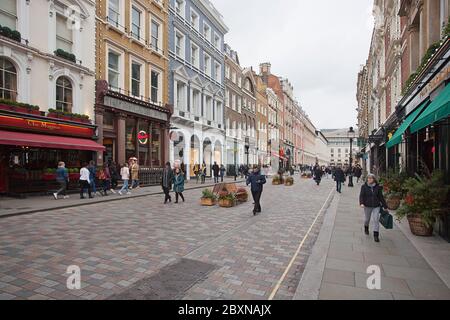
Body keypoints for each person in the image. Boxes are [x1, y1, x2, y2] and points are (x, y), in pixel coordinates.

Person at [359, 174, 388, 243]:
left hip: (376, 206)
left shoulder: (378, 187)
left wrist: (385, 206)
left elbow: (381, 197)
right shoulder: (364, 187)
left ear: (374, 179)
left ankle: (376, 235)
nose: (369, 180)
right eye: (368, 178)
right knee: (367, 219)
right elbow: (361, 196)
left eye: (371, 178)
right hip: (367, 206)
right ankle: (366, 227)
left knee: (376, 220)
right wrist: (361, 203)